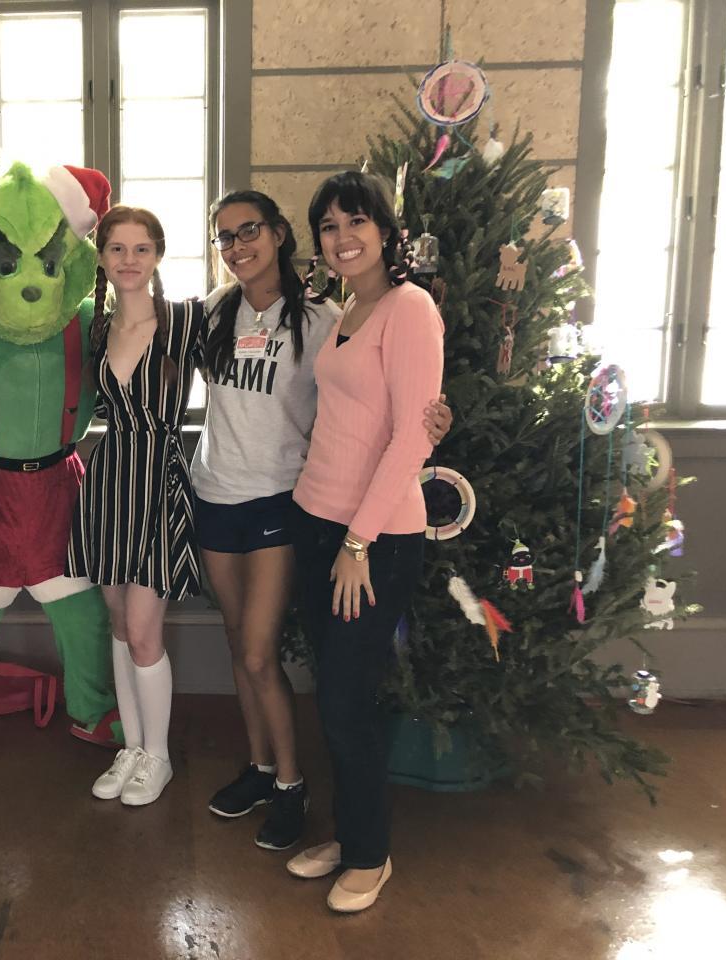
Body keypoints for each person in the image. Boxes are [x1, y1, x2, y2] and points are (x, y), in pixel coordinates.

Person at [193, 190, 451, 852]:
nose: (238, 246)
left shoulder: (326, 317)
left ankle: (292, 786)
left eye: (250, 230)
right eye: (225, 237)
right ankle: (260, 769)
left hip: (282, 502)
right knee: (238, 646)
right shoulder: (215, 310)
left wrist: (429, 423)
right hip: (223, 495)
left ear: (280, 234)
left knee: (260, 652)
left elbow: (382, 410)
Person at [284, 171, 445, 913]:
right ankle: (351, 835)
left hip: (371, 541)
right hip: (316, 522)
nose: (343, 237)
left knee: (347, 701)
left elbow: (413, 435)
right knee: (334, 694)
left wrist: (358, 543)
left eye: (357, 221)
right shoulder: (348, 308)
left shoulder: (410, 308)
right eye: (329, 226)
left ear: (385, 230)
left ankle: (371, 856)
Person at [68, 205, 204, 807]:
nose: (129, 259)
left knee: (146, 631)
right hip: (108, 480)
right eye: (117, 248)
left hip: (159, 480)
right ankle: (132, 747)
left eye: (141, 248)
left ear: (158, 254)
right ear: (101, 257)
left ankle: (159, 756)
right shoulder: (96, 327)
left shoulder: (185, 320)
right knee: (121, 627)